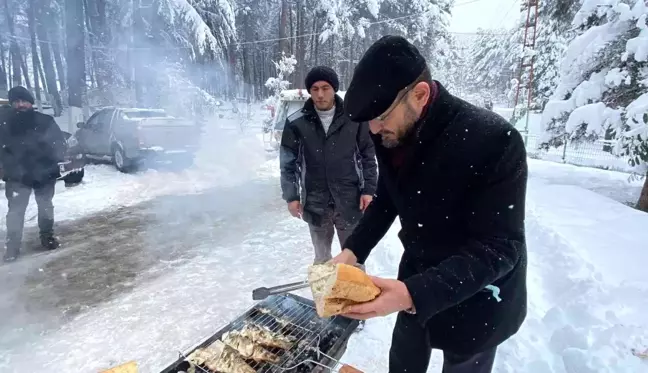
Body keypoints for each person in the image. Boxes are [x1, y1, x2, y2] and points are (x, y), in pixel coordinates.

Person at [331, 36, 528, 373]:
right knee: (404, 362)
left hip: (477, 295)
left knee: (464, 364)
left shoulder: (494, 141)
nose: (374, 130)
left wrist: (412, 293)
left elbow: (501, 248)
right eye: (368, 123)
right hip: (417, 275)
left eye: (380, 117)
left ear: (420, 95)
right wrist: (353, 251)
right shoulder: (391, 133)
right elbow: (388, 197)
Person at [280, 66, 378, 264]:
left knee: (353, 259)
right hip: (316, 204)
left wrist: (369, 190)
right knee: (322, 259)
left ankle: (355, 294)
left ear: (334, 89)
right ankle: (324, 294)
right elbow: (288, 164)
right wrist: (291, 197)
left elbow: (368, 155)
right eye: (315, 89)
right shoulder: (296, 122)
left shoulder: (355, 120)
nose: (320, 94)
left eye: (325, 88)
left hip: (350, 202)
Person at [0, 86, 65, 262]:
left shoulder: (45, 121)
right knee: (15, 212)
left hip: (44, 173)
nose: (20, 104)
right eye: (16, 101)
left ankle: (47, 237)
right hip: (17, 177)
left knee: (45, 206)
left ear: (31, 102)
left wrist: (50, 159)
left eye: (24, 101)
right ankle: (12, 247)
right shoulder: (4, 124)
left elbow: (59, 144)